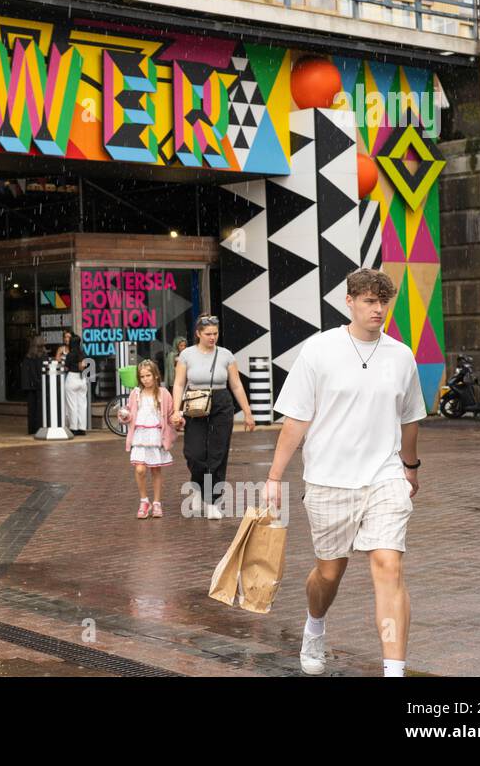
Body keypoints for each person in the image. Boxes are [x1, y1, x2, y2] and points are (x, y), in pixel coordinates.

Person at [264, 269, 425, 677]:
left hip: (384, 478)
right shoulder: (319, 351)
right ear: (349, 301)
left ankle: (393, 670)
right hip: (328, 480)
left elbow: (409, 419)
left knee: (389, 565)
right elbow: (296, 420)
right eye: (369, 301)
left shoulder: (401, 356)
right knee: (329, 572)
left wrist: (409, 467)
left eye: (383, 301)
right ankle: (315, 625)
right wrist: (274, 477)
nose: (378, 309)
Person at [171, 314, 256, 519]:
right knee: (194, 453)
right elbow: (179, 383)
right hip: (195, 401)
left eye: (215, 333)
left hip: (221, 402)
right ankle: (199, 488)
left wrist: (247, 412)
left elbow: (235, 384)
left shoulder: (226, 355)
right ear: (198, 333)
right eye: (208, 333)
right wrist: (176, 410)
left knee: (218, 453)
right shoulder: (187, 355)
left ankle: (212, 501)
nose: (212, 337)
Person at [118, 360, 177, 518]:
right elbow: (129, 413)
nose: (145, 379)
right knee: (140, 469)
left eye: (148, 375)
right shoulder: (135, 394)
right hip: (139, 436)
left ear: (156, 375)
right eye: (142, 376)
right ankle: (144, 500)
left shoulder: (164, 393)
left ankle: (157, 502)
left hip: (156, 436)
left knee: (156, 470)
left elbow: (170, 414)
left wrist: (177, 420)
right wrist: (124, 415)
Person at [62, 329, 89, 434]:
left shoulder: (70, 355)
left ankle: (74, 428)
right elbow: (83, 366)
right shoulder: (83, 354)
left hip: (72, 378)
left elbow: (66, 368)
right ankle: (82, 428)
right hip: (82, 380)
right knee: (82, 404)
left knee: (72, 404)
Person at [20, 336, 47, 435]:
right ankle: (39, 427)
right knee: (40, 408)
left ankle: (31, 429)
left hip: (30, 386)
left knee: (31, 408)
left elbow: (28, 372)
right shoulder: (43, 356)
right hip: (40, 385)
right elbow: (41, 371)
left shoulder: (28, 356)